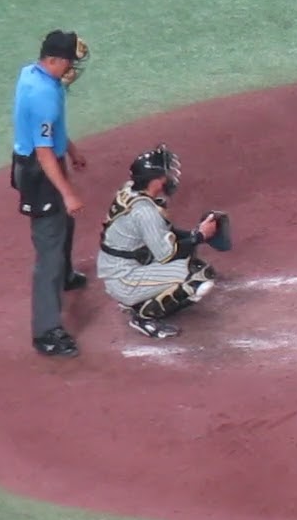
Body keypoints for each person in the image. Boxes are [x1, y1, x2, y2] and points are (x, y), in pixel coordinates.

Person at [11, 29, 91, 358]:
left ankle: (67, 276)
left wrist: (71, 150)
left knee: (64, 225)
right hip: (39, 171)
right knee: (49, 252)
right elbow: (43, 152)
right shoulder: (43, 94)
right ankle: (46, 332)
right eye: (69, 61)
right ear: (54, 60)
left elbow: (53, 129)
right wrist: (68, 193)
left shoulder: (34, 74)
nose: (72, 67)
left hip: (46, 161)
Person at [96, 144, 226, 339]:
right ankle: (144, 316)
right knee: (200, 276)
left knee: (188, 254)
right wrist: (199, 236)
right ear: (155, 181)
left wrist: (196, 235)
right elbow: (167, 254)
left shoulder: (131, 191)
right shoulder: (145, 212)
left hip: (120, 265)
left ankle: (138, 297)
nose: (170, 177)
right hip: (124, 278)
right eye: (166, 174)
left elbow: (165, 234)